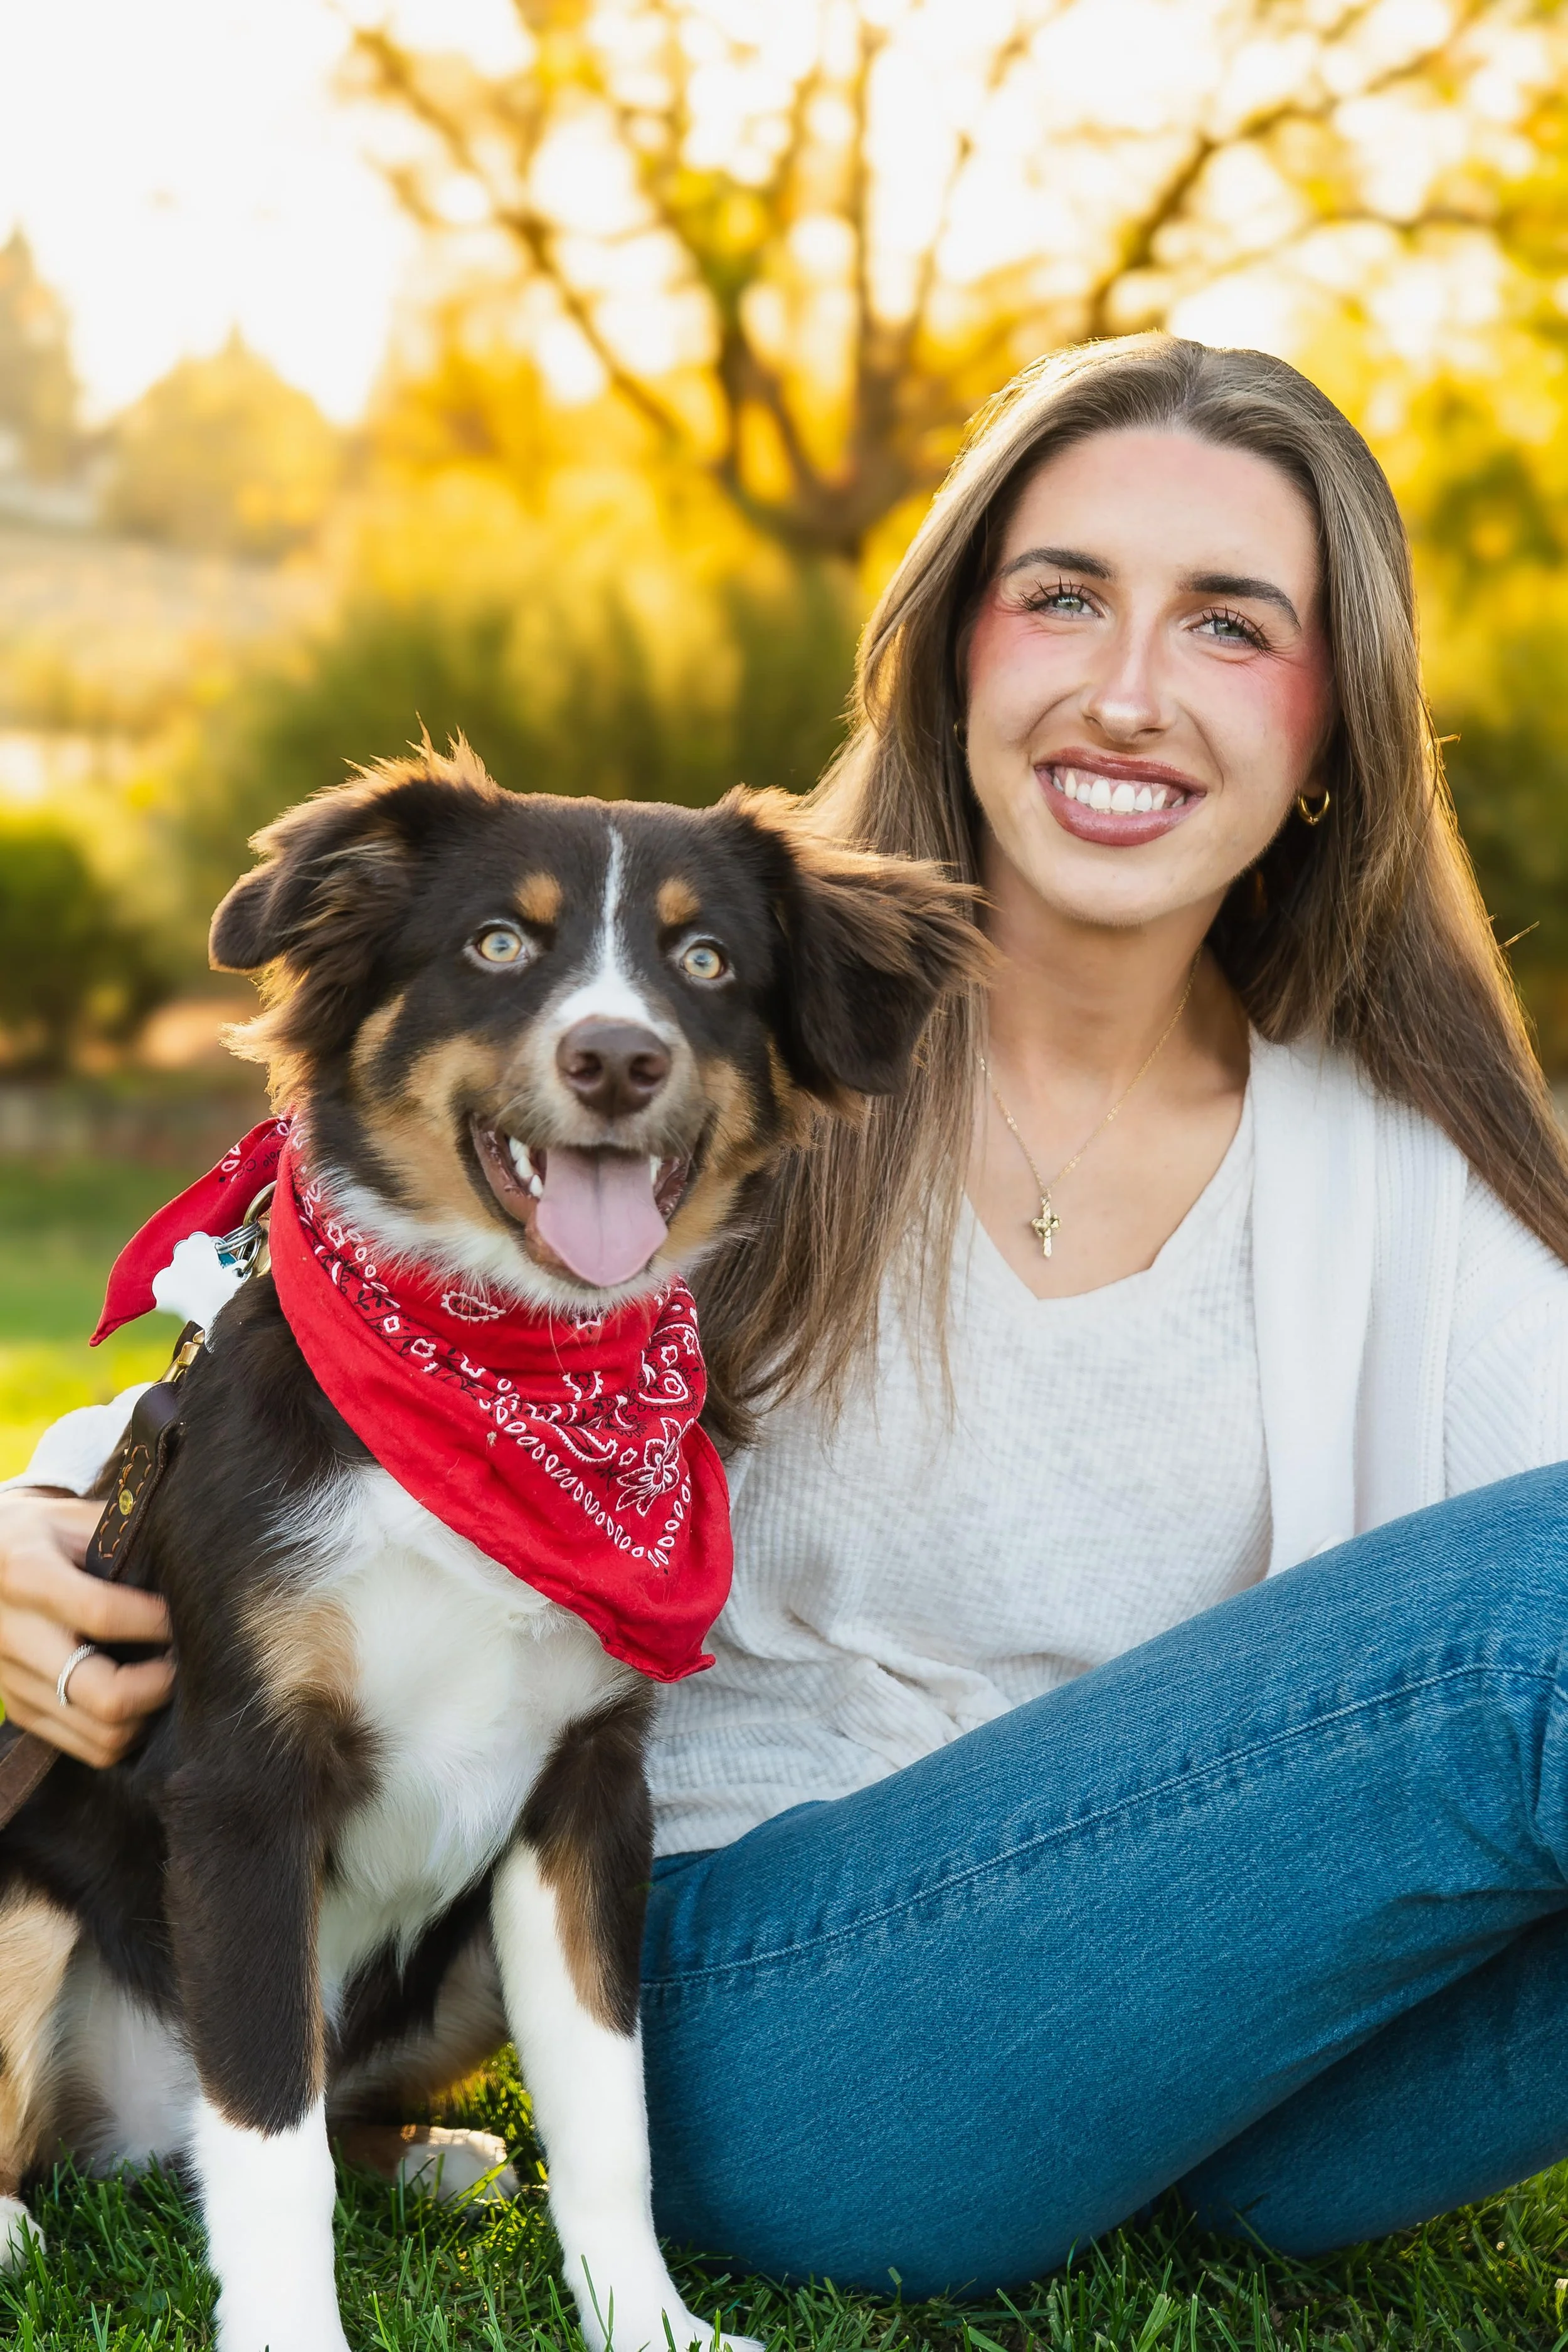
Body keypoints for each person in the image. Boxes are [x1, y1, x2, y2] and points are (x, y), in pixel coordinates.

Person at [8, 334, 1568, 2295]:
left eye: (1231, 625)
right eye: (1062, 595)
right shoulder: (727, 1056)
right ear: (951, 650)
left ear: (1342, 720)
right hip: (775, 2004)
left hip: (1213, 2056)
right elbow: (326, 1383)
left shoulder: (1388, 1173)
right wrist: (17, 1528)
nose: (1127, 688)